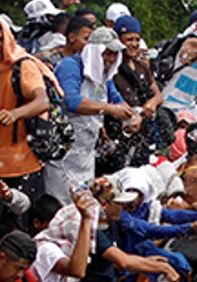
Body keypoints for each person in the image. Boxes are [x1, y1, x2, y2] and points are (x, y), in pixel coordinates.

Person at [0, 14, 54, 203]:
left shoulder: (23, 66)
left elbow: (42, 101)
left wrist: (15, 114)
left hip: (25, 163)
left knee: (26, 224)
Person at [53, 25, 135, 201]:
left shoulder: (104, 75)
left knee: (84, 203)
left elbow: (116, 99)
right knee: (63, 202)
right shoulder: (70, 66)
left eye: (114, 54)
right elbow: (71, 101)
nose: (110, 59)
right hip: (64, 150)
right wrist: (110, 109)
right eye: (107, 53)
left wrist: (132, 116)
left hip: (86, 151)